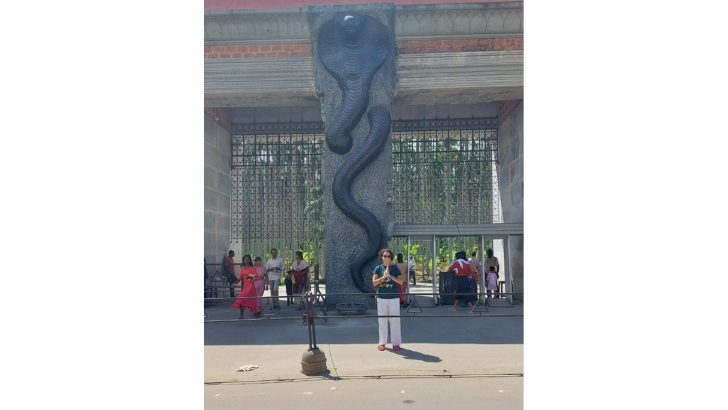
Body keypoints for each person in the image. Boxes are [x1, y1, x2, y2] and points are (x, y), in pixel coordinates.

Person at [372, 248, 405, 351]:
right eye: (385, 256)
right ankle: (382, 342)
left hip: (393, 298)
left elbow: (401, 281)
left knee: (395, 321)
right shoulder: (378, 268)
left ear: (391, 258)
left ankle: (396, 343)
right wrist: (383, 277)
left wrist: (390, 276)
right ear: (381, 257)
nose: (386, 258)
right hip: (381, 298)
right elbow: (374, 283)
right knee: (382, 321)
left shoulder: (395, 268)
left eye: (388, 256)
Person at [231, 255, 260, 319]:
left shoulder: (252, 268)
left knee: (241, 298)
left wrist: (249, 277)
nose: (246, 261)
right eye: (245, 259)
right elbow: (239, 278)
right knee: (246, 300)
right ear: (243, 260)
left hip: (250, 287)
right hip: (245, 287)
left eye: (248, 259)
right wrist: (234, 283)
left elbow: (257, 277)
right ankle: (242, 314)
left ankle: (254, 313)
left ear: (250, 260)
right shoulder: (242, 268)